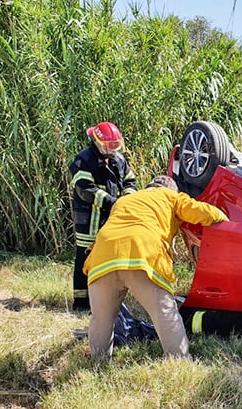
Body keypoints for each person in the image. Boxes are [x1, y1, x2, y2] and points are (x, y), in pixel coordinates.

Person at [82, 175, 228, 358]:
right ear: (171, 189)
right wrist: (223, 217)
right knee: (165, 315)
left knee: (101, 320)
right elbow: (201, 212)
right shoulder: (170, 196)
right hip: (142, 255)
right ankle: (179, 362)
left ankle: (98, 362)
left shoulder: (124, 200)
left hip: (102, 257)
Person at [69, 121, 137, 310]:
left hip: (112, 219)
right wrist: (112, 202)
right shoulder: (83, 159)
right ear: (96, 141)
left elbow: (130, 181)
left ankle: (105, 300)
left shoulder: (119, 159)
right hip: (89, 220)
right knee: (85, 260)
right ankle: (81, 302)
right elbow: (85, 189)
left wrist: (127, 199)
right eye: (108, 146)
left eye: (116, 146)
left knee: (109, 258)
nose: (112, 149)